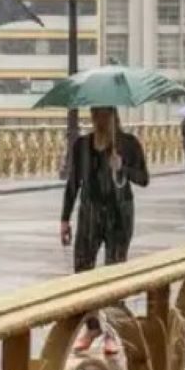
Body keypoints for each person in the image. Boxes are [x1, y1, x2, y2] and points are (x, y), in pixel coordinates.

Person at [60, 107, 149, 355]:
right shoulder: (82, 145)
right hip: (90, 212)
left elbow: (144, 178)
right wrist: (65, 218)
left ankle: (111, 330)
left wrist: (122, 168)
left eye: (103, 114)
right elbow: (73, 183)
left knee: (114, 271)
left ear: (113, 116)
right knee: (82, 270)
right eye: (95, 114)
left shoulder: (128, 144)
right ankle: (92, 326)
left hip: (119, 214)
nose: (98, 119)